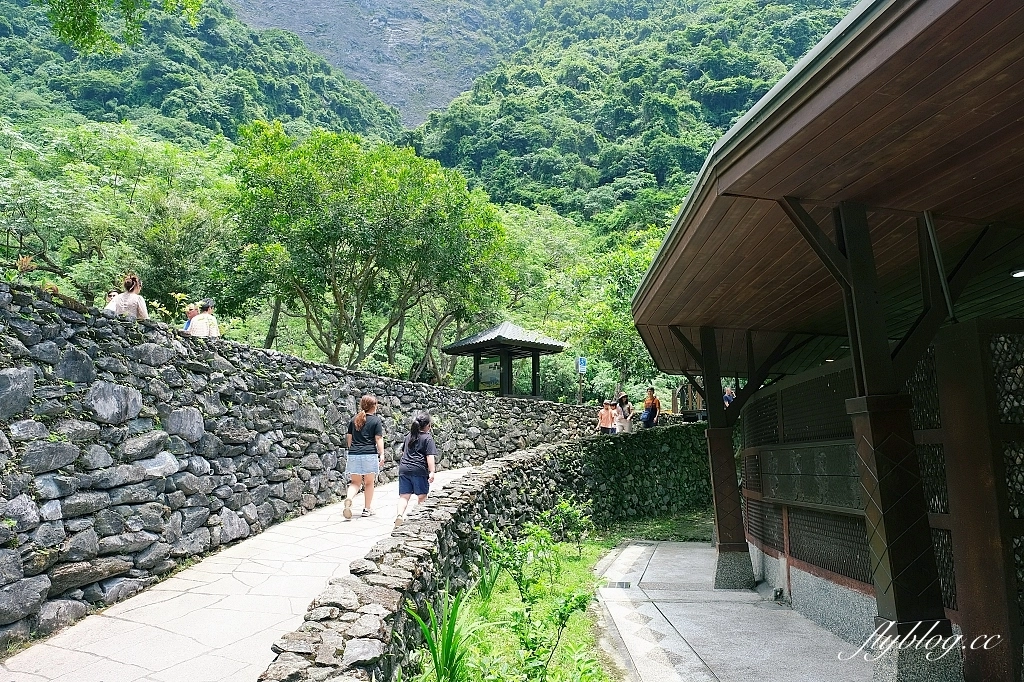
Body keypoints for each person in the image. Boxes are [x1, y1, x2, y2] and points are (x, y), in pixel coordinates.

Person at [344, 394, 385, 518]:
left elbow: (349, 438)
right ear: (373, 406)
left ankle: (349, 499)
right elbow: (378, 438)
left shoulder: (354, 419)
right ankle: (367, 509)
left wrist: (353, 450)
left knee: (355, 482)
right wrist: (382, 453)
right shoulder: (376, 420)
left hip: (354, 454)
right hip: (369, 454)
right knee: (368, 483)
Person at [394, 413, 437, 527]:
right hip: (419, 470)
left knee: (404, 496)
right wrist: (432, 471)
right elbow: (430, 456)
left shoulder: (409, 436)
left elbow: (404, 452)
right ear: (428, 426)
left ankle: (399, 515)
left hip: (404, 468)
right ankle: (419, 520)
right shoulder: (427, 438)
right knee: (422, 496)